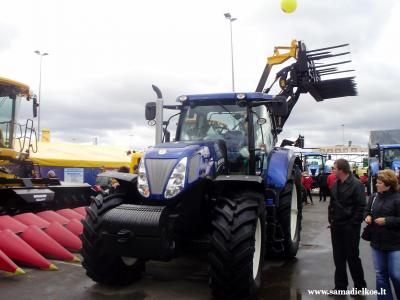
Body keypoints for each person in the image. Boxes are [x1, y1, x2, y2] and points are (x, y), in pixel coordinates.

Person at [328, 159, 367, 293]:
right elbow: (332, 204)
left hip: (350, 228)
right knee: (338, 258)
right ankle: (340, 287)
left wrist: (352, 224)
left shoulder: (357, 185)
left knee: (352, 257)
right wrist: (331, 220)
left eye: (334, 168)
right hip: (336, 227)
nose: (332, 170)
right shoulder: (335, 184)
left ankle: (360, 287)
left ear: (341, 170)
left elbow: (361, 207)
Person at [364, 169, 400, 300]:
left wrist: (387, 220)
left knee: (396, 275)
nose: (376, 184)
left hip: (395, 244)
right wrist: (367, 216)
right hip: (377, 242)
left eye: (379, 182)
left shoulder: (398, 198)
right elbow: (367, 210)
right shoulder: (374, 197)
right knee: (380, 275)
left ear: (388, 184)